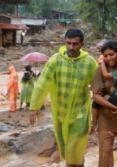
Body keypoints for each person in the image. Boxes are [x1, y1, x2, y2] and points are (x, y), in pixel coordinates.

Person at [29, 28, 98, 167]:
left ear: (82, 45)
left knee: (74, 151)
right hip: (60, 114)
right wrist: (34, 107)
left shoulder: (89, 63)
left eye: (75, 44)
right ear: (64, 42)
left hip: (80, 114)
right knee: (69, 153)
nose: (71, 47)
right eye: (68, 43)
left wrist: (100, 113)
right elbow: (42, 84)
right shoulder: (55, 61)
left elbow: (98, 87)